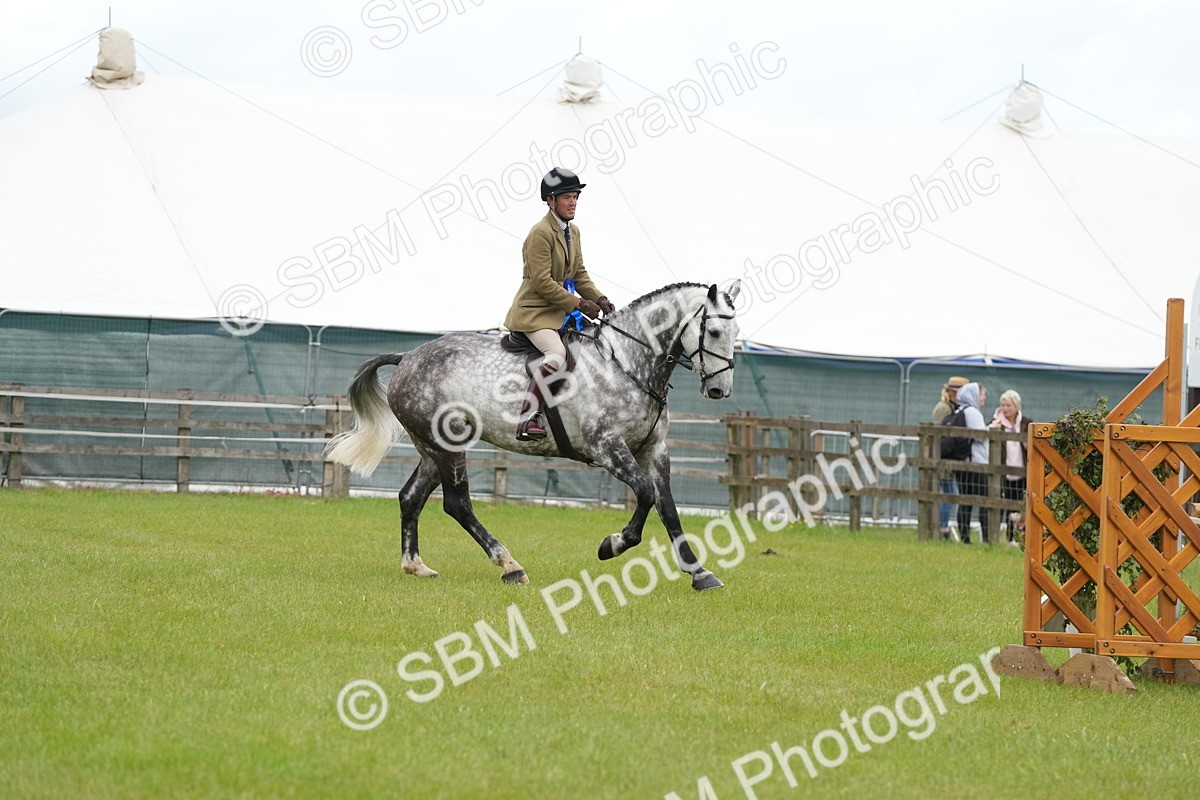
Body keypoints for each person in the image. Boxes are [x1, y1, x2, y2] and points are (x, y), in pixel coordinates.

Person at [504, 167, 616, 441]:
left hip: (558, 313)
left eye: (575, 196)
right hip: (534, 314)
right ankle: (527, 417)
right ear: (550, 201)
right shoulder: (540, 233)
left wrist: (599, 298)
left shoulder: (573, 232)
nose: (573, 201)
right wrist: (578, 304)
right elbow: (542, 281)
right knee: (556, 355)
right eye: (567, 197)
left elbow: (578, 274)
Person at [989, 389, 1031, 545]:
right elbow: (987, 437)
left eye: (1008, 405)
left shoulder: (1026, 423)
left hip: (1023, 471)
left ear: (1016, 406)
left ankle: (1021, 537)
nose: (1005, 409)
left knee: (1023, 505)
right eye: (1003, 405)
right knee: (1007, 505)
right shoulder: (996, 422)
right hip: (1003, 472)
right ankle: (1007, 537)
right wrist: (993, 427)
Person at [932, 376, 969, 539]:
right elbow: (939, 434)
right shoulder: (944, 408)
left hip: (946, 457)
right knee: (948, 493)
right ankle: (942, 529)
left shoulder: (951, 408)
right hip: (942, 457)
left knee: (948, 493)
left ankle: (942, 527)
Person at [953, 382, 990, 544]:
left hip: (964, 462)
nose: (983, 399)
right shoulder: (973, 412)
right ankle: (987, 537)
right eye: (981, 395)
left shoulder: (959, 410)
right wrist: (992, 428)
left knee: (965, 501)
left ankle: (965, 537)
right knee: (984, 500)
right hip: (976, 462)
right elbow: (980, 435)